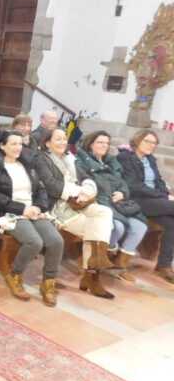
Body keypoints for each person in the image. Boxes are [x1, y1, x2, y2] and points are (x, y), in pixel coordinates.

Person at [0, 132, 63, 306]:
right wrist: (22, 209)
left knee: (56, 241)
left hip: (32, 210)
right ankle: (15, 275)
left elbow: (41, 190)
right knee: (34, 242)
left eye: (20, 144)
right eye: (13, 144)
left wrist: (39, 207)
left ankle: (48, 282)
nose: (18, 148)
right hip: (7, 212)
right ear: (2, 146)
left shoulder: (27, 165)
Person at [36, 128, 115, 299]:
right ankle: (92, 276)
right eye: (58, 139)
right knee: (95, 228)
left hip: (79, 202)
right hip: (58, 205)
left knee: (104, 212)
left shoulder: (70, 158)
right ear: (48, 143)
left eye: (65, 139)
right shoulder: (42, 159)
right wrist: (77, 192)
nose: (63, 142)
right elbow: (51, 185)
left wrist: (87, 190)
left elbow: (87, 178)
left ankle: (92, 272)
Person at [77, 131, 148, 281]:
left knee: (140, 226)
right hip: (99, 202)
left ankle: (120, 265)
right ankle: (99, 259)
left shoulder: (111, 162)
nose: (104, 145)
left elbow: (123, 183)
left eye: (107, 143)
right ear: (90, 144)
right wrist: (108, 194)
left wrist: (122, 193)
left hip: (118, 203)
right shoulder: (82, 161)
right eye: (100, 142)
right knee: (117, 227)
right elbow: (88, 183)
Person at [117, 130, 174, 281]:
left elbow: (159, 181)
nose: (151, 145)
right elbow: (133, 185)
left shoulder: (150, 159)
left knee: (172, 224)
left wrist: (164, 192)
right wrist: (164, 197)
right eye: (147, 141)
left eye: (154, 143)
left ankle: (163, 266)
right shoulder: (125, 157)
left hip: (155, 201)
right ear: (137, 140)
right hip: (136, 200)